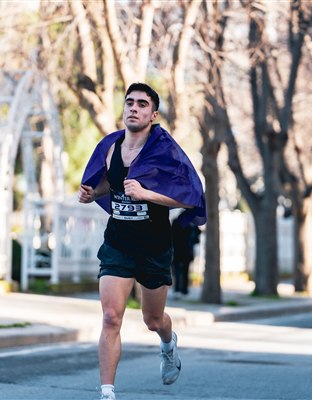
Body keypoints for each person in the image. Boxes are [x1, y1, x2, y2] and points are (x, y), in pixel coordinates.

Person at [79, 83, 205, 400]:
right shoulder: (111, 147)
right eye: (129, 102)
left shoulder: (165, 151)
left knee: (153, 319)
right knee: (111, 317)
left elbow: (189, 198)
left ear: (153, 114)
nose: (134, 108)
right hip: (118, 243)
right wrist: (93, 193)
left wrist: (147, 194)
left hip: (154, 247)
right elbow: (110, 184)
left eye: (142, 104)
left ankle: (168, 343)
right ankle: (107, 392)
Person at [171, 215, 201, 299]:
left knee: (180, 271)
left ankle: (179, 289)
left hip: (181, 251)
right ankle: (182, 290)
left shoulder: (186, 222)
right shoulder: (191, 222)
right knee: (183, 271)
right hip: (183, 251)